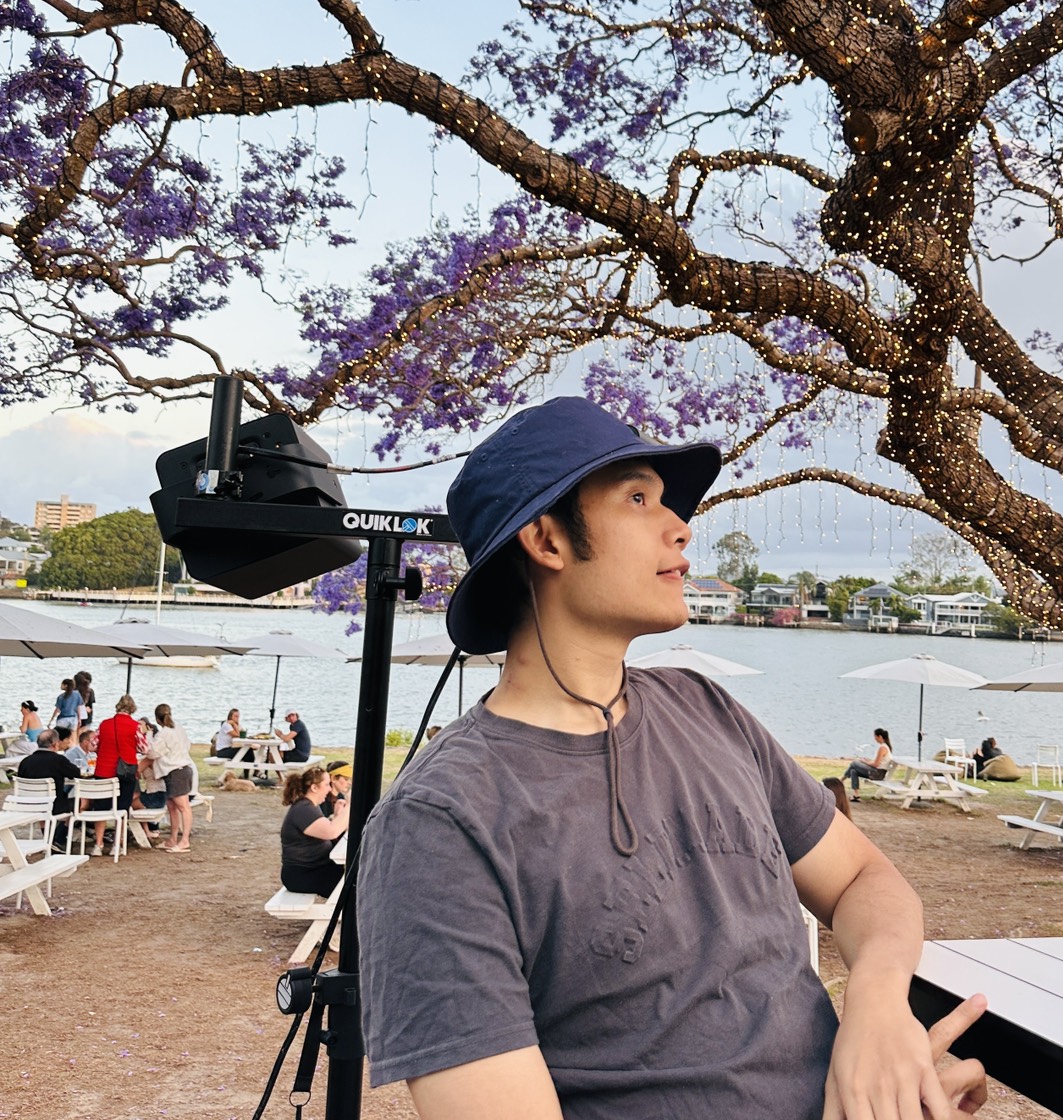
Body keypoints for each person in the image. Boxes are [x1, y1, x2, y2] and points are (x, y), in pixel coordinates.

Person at [357, 397, 987, 1120]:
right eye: (637, 498)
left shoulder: (706, 709)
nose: (680, 526)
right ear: (547, 541)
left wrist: (876, 1009)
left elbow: (864, 880)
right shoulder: (440, 822)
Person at [279, 764, 348, 896]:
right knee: (353, 886)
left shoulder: (309, 806)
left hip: (315, 869)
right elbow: (331, 832)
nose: (329, 789)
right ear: (314, 788)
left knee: (354, 880)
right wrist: (350, 805)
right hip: (303, 874)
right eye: (326, 784)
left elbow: (330, 833)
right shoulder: (303, 809)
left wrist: (338, 816)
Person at [90, 693, 140, 857]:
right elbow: (144, 748)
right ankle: (117, 844)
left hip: (104, 770)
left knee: (101, 807)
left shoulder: (104, 724)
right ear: (132, 709)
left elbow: (93, 745)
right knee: (122, 807)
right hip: (126, 770)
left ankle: (98, 844)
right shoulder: (135, 726)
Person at [17, 728, 81, 851]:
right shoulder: (58, 760)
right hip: (53, 805)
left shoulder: (25, 762)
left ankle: (49, 840)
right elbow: (76, 773)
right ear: (55, 744)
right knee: (79, 803)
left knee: (43, 804)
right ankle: (58, 838)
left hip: (30, 804)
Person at [147, 703, 196, 853]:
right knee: (172, 806)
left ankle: (185, 840)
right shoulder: (179, 729)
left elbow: (153, 753)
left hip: (177, 771)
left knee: (183, 807)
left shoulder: (163, 734)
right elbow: (187, 745)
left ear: (157, 719)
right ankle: (172, 839)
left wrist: (148, 737)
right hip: (178, 769)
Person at [841, 727, 892, 799]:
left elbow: (876, 764)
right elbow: (878, 763)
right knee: (853, 771)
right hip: (877, 772)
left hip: (877, 773)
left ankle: (841, 780)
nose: (875, 738)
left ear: (880, 737)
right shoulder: (885, 747)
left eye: (875, 736)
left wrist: (864, 762)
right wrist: (867, 761)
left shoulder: (883, 748)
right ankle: (856, 795)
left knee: (854, 763)